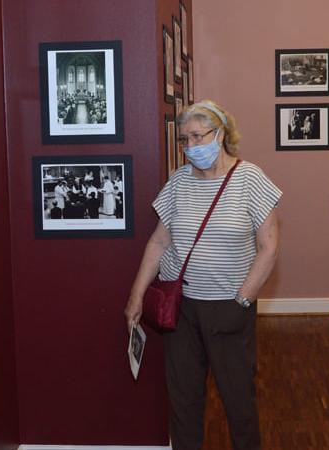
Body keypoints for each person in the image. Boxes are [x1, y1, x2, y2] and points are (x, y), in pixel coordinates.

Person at [124, 100, 281, 450]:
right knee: (183, 398)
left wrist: (242, 300)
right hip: (180, 309)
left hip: (229, 307)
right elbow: (159, 241)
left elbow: (269, 248)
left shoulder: (249, 178)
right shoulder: (179, 181)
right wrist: (136, 296)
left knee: (238, 400)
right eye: (184, 140)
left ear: (221, 133)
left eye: (198, 136)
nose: (191, 147)